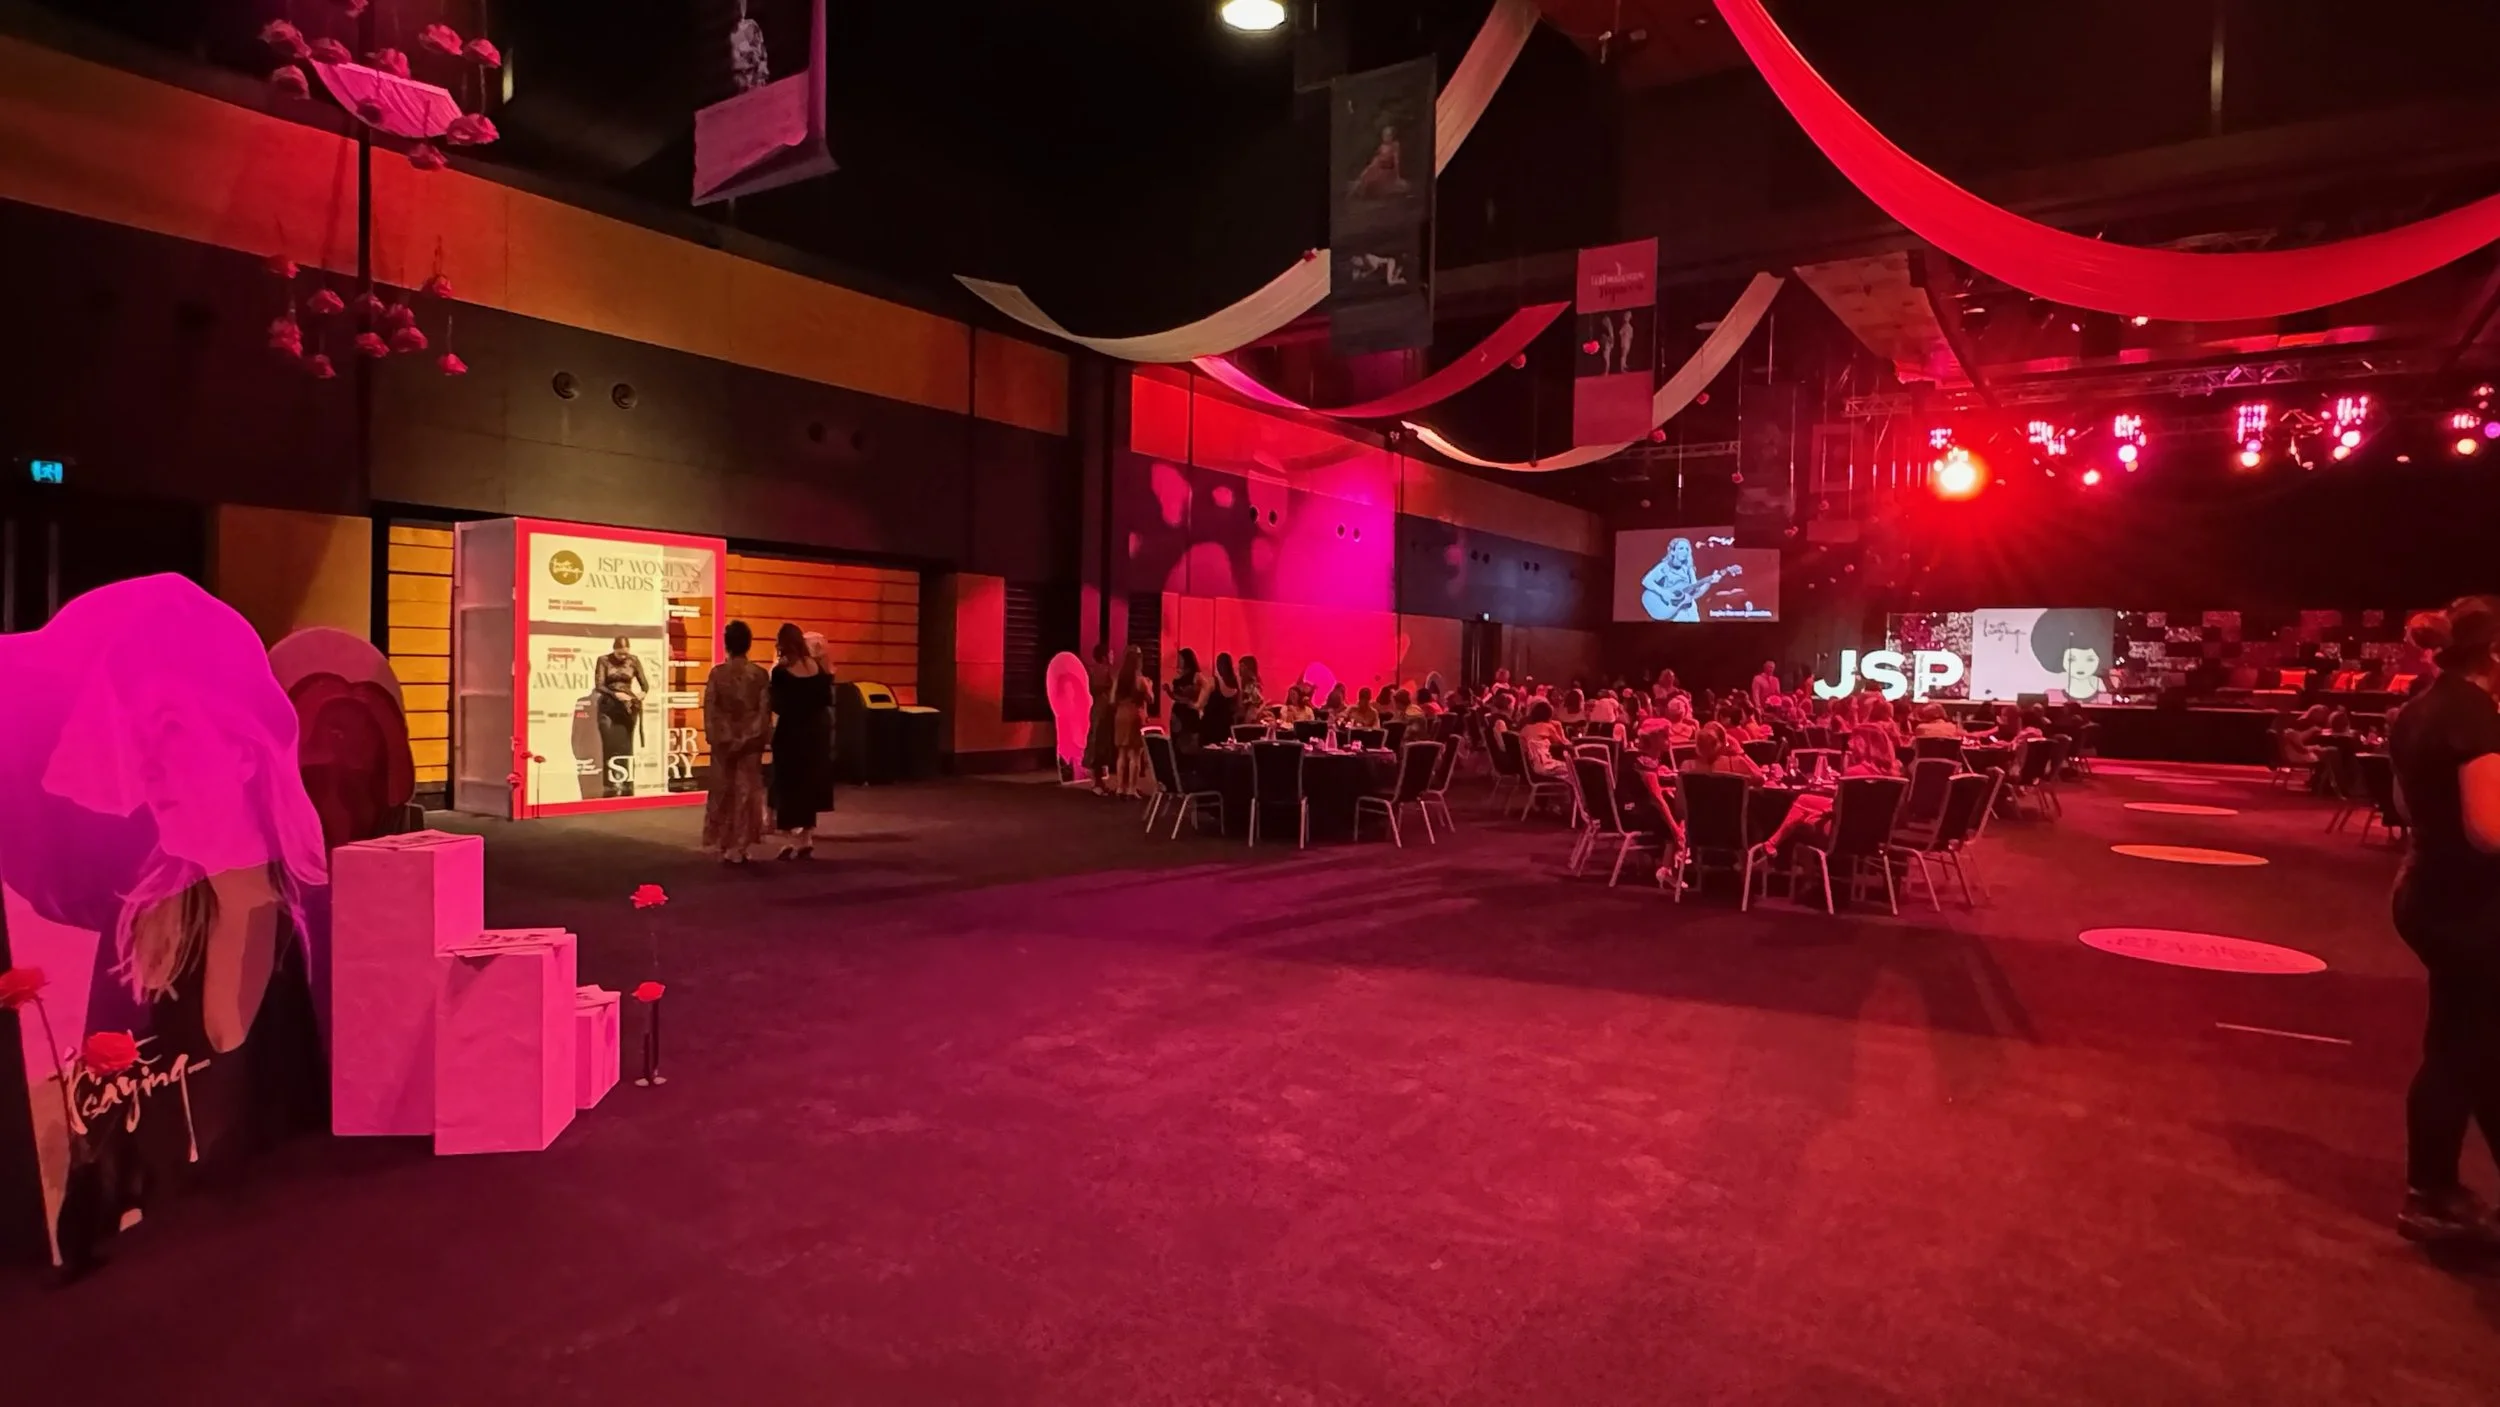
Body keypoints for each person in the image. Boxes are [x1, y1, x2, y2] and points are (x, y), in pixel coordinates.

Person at [2385, 597, 2500, 1246]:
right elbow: (2489, 829)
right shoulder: (2473, 715)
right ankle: (2430, 1193)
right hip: (2469, 905)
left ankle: (2434, 1190)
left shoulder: (2420, 708)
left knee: (2473, 1045)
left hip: (2427, 888)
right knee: (2463, 1050)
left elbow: (2404, 801)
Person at [700, 621, 770, 862]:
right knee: (747, 792)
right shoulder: (759, 675)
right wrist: (750, 736)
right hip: (749, 742)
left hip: (723, 741)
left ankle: (724, 842)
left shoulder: (717, 673)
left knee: (724, 791)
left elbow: (710, 708)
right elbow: (764, 711)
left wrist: (722, 736)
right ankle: (741, 844)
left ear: (726, 644)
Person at [766, 623, 833, 859]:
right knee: (809, 783)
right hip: (815, 732)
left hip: (791, 731)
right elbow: (827, 699)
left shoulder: (782, 672)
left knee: (788, 783)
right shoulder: (817, 667)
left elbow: (777, 705)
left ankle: (791, 839)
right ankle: (806, 836)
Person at [594, 635, 649, 797]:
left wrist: (641, 695)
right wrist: (615, 695)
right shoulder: (603, 660)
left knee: (626, 746)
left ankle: (627, 786)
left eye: (626, 653)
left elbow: (645, 684)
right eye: (620, 654)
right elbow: (599, 685)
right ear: (614, 649)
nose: (623, 657)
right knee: (610, 745)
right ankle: (610, 787)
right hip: (609, 705)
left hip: (628, 707)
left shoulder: (633, 660)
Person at [2031, 608, 2109, 701]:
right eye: (2072, 659)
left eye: (2090, 659)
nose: (2081, 666)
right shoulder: (2052, 697)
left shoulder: (2106, 699)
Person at [1110, 646, 1152, 799]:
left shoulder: (1119, 677)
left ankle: (1120, 787)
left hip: (1120, 714)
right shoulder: (1140, 680)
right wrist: (1150, 686)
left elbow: (1112, 700)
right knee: (1135, 754)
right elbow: (1150, 699)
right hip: (1135, 715)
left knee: (1121, 753)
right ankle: (1132, 789)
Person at [1080, 642, 1118, 795]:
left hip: (1100, 710)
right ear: (1104, 657)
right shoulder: (1103, 671)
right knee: (1099, 745)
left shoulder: (1096, 671)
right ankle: (1097, 782)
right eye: (1110, 654)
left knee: (1101, 745)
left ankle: (1100, 782)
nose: (1112, 657)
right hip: (1102, 712)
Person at [1683, 721, 1765, 781]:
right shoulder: (1736, 764)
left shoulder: (1687, 767)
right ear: (1723, 743)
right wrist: (1740, 752)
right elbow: (1760, 778)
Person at [1516, 699, 1570, 785]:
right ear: (1549, 715)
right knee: (1574, 770)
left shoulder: (1525, 729)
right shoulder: (1548, 727)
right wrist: (1560, 729)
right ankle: (1576, 796)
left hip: (1529, 769)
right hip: (1544, 767)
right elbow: (1563, 744)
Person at [1169, 649, 1205, 746]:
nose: (1179, 661)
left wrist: (1198, 702)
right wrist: (1169, 692)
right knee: (1177, 743)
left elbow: (1205, 688)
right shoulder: (1179, 676)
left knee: (1189, 741)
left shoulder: (1196, 675)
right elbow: (1176, 697)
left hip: (1189, 712)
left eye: (1181, 659)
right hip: (1178, 713)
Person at [1203, 652, 1241, 746]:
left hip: (1210, 727)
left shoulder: (1212, 682)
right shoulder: (1235, 682)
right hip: (1227, 728)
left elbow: (1201, 703)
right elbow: (1238, 706)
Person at [1238, 655, 1266, 721]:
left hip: (1249, 719)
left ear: (1247, 667)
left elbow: (1255, 702)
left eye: (1241, 666)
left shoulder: (1251, 684)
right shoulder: (1247, 683)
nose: (1239, 669)